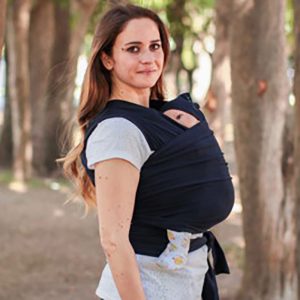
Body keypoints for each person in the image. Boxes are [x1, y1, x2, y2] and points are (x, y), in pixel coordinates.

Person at [59, 4, 235, 300]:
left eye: (155, 46)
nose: (148, 58)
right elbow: (113, 240)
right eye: (133, 49)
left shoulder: (159, 115)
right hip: (148, 288)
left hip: (186, 280)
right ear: (107, 58)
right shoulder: (118, 130)